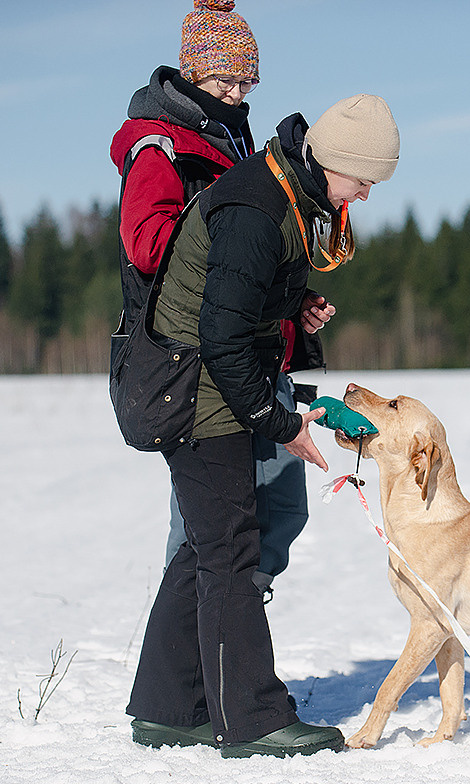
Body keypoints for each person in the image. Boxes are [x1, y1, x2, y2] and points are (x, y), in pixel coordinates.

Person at [125, 94, 400, 758]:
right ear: (336, 162)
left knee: (204, 545)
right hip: (196, 388)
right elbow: (220, 336)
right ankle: (251, 720)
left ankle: (167, 709)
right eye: (363, 180)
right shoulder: (258, 205)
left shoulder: (286, 190)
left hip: (210, 377)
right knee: (230, 549)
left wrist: (294, 304)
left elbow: (238, 294)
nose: (363, 195)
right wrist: (283, 426)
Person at [109, 0, 320, 603]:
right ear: (190, 74)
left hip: (253, 351)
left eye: (243, 80)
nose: (233, 92)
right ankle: (200, 661)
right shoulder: (159, 147)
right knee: (205, 531)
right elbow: (147, 246)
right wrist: (219, 227)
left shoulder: (231, 134)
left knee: (280, 508)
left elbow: (249, 251)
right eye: (221, 79)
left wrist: (290, 297)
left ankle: (235, 629)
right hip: (191, 359)